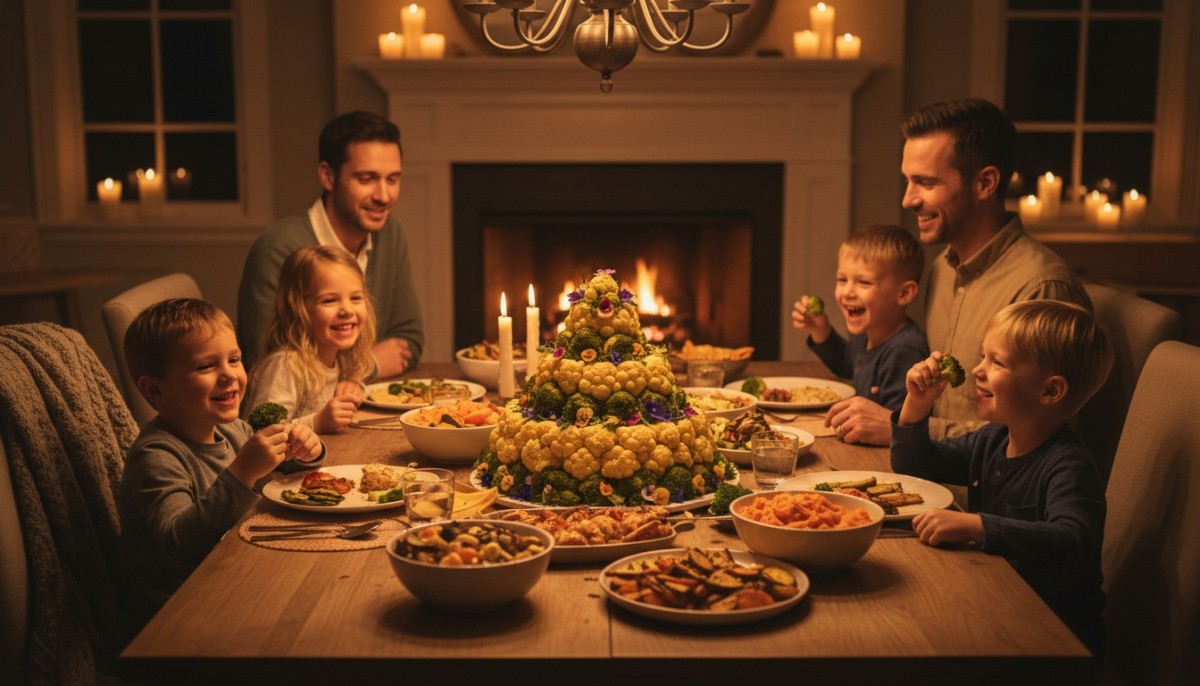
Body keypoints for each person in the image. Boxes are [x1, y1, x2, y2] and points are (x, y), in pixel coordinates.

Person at [827, 97, 1091, 445]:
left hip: (975, 497)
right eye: (908, 181)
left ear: (985, 183)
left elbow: (1039, 440)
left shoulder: (1040, 288)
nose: (908, 200)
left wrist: (898, 426)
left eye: (926, 182)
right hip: (922, 474)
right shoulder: (942, 269)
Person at [891, 299, 1112, 655]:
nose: (978, 370)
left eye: (997, 362)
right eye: (982, 356)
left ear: (1050, 391)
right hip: (997, 603)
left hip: (1055, 642)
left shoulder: (1068, 465)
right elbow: (918, 464)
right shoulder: (994, 438)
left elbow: (1072, 540)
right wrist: (916, 405)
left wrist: (977, 526)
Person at [119, 298, 324, 629]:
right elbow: (178, 544)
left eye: (234, 359)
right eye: (205, 366)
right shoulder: (157, 455)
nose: (229, 374)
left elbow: (283, 468)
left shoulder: (232, 429)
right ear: (155, 390)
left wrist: (305, 451)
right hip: (178, 612)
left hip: (234, 572)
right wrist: (242, 472)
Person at [238, 110, 423, 377]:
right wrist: (369, 364)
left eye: (392, 179)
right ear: (327, 176)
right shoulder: (277, 250)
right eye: (367, 179)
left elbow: (409, 341)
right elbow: (269, 368)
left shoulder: (390, 234)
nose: (384, 196)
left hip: (362, 404)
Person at [791, 224, 929, 415]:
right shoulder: (868, 333)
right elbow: (848, 364)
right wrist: (820, 331)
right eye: (842, 280)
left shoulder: (904, 351)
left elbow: (899, 424)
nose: (847, 292)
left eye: (864, 282)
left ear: (904, 293)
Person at [245, 245, 376, 433]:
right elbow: (260, 432)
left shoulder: (341, 357)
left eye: (355, 298)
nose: (347, 310)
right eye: (329, 300)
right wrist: (316, 422)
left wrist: (356, 385)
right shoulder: (285, 365)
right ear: (298, 309)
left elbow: (368, 372)